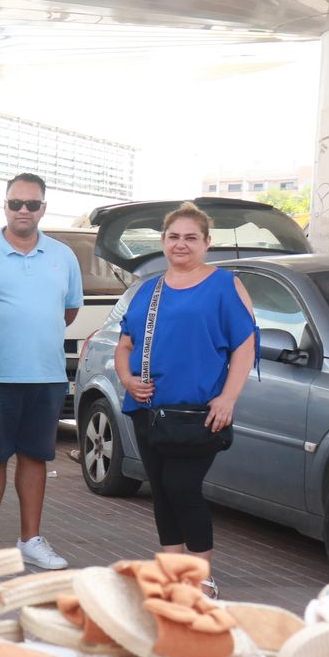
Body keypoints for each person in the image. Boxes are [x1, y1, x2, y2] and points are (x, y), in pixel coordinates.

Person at [115, 202, 255, 578]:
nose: (182, 244)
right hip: (149, 411)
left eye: (191, 237)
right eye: (174, 237)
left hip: (198, 413)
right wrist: (128, 381)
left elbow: (245, 345)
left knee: (182, 487)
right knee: (162, 490)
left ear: (207, 243)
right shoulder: (148, 290)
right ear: (163, 241)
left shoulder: (225, 285)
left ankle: (200, 579)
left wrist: (228, 397)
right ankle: (172, 576)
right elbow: (125, 345)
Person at [0, 173, 81, 569]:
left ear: (43, 209)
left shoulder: (63, 256)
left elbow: (68, 311)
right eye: (16, 203)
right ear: (4, 205)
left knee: (35, 457)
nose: (23, 211)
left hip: (46, 375)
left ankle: (30, 539)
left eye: (32, 204)